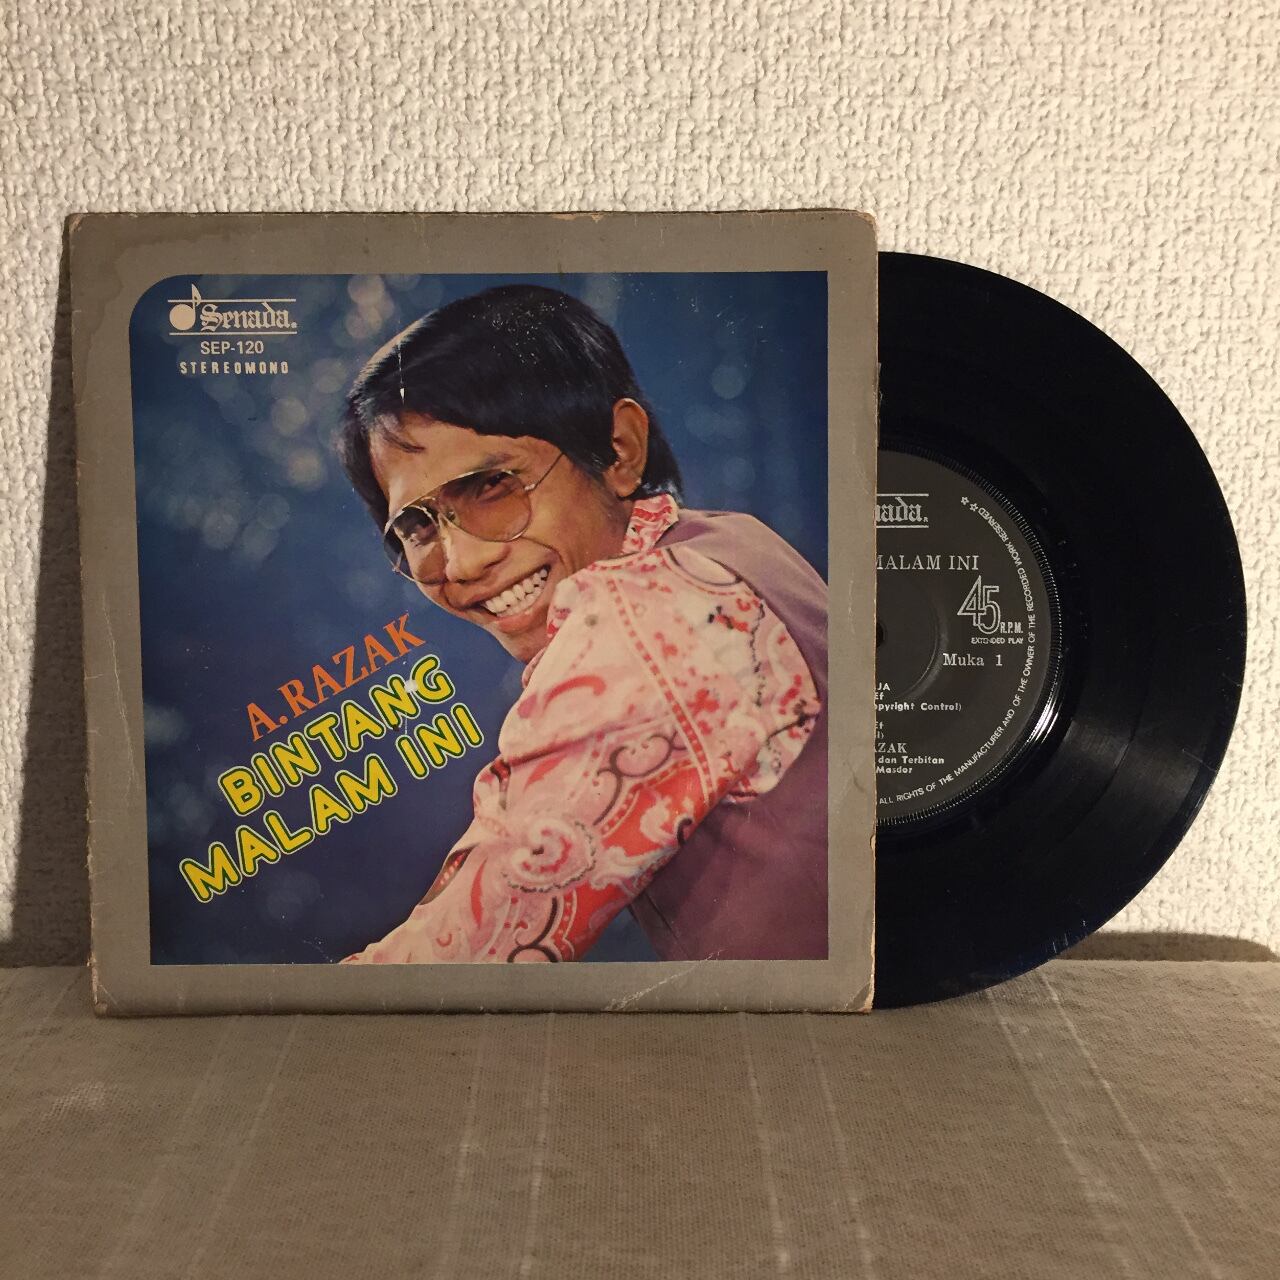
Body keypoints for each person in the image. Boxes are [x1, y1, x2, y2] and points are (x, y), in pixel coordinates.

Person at [337, 283, 827, 963]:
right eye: (417, 526)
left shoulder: (643, 617)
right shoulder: (727, 542)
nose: (464, 563)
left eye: (492, 486)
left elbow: (453, 964)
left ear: (619, 449)